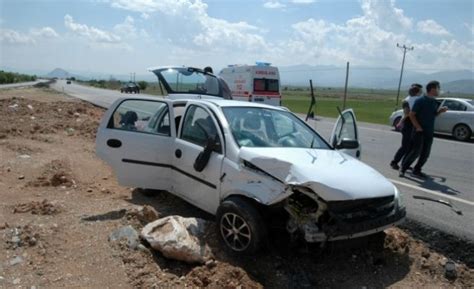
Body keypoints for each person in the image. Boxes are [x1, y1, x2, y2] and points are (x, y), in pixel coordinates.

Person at [399, 81, 448, 178]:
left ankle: (417, 170)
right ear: (433, 89)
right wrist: (417, 127)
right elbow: (412, 115)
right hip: (419, 131)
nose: (439, 90)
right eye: (438, 88)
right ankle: (403, 168)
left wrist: (440, 111)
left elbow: (433, 115)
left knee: (426, 153)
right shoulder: (420, 100)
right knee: (416, 152)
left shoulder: (434, 102)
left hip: (429, 131)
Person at [390, 84, 423, 170]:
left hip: (410, 124)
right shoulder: (412, 100)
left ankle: (405, 163)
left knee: (410, 146)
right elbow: (407, 113)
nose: (421, 93)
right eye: (420, 91)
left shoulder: (406, 100)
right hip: (409, 124)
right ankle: (394, 162)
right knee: (405, 146)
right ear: (417, 92)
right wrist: (401, 121)